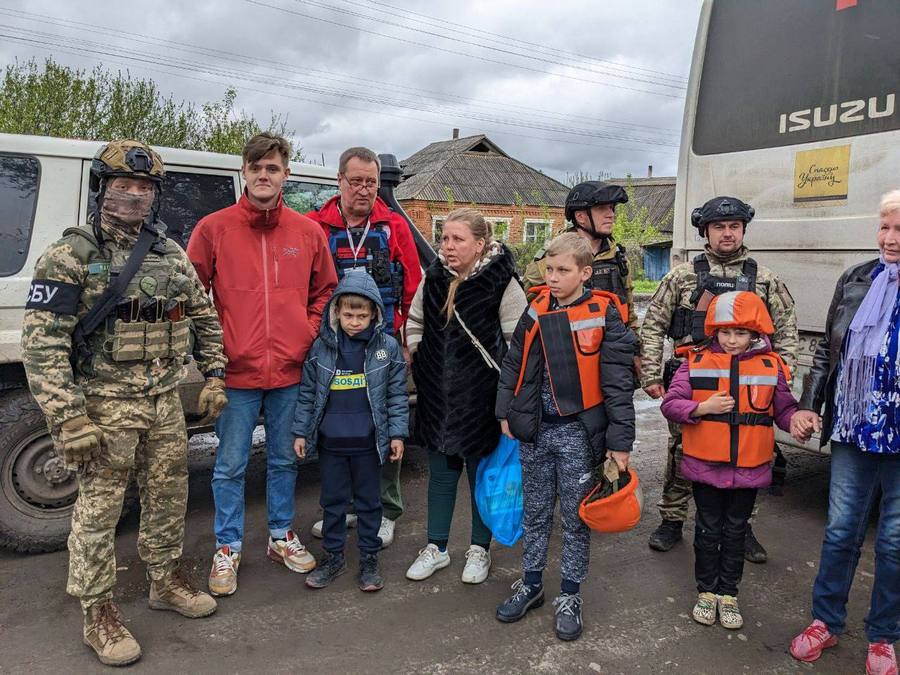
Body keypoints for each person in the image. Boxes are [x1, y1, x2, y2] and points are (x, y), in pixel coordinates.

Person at [21, 140, 227, 666]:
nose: (134, 197)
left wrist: (214, 375)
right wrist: (67, 418)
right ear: (102, 190)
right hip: (103, 410)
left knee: (168, 497)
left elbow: (202, 315)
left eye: (144, 189)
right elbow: (43, 346)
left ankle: (165, 581)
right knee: (100, 511)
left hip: (162, 404)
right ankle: (98, 612)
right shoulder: (70, 255)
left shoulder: (168, 252)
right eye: (123, 187)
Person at [187, 132, 338, 597]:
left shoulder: (307, 233)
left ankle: (280, 535)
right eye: (256, 167)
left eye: (273, 168)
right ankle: (228, 546)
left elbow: (326, 291)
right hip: (235, 372)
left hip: (290, 371)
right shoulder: (214, 228)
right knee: (229, 464)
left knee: (283, 459)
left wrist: (307, 331)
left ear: (285, 174)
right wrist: (214, 348)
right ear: (244, 173)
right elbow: (193, 296)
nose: (264, 175)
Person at [495, 232, 637, 641]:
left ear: (585, 272)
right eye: (549, 269)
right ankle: (532, 583)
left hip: (578, 436)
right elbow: (513, 363)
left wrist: (620, 443)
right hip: (536, 433)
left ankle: (571, 595)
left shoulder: (603, 313)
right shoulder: (535, 307)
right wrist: (505, 411)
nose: (553, 278)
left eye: (563, 271)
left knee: (576, 520)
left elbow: (617, 383)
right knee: (535, 514)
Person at [640, 196, 799, 560]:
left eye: (734, 227)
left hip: (750, 386)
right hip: (694, 381)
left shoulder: (765, 279)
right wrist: (650, 373)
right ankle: (672, 520)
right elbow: (654, 325)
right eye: (718, 228)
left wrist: (781, 375)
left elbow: (786, 328)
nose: (727, 234)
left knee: (748, 454)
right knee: (681, 450)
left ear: (743, 230)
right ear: (705, 232)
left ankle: (741, 528)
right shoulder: (681, 276)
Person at [789, 189, 900, 675]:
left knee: (895, 543)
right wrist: (810, 406)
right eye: (885, 227)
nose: (890, 238)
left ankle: (884, 636)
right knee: (840, 533)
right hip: (854, 430)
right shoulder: (856, 278)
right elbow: (825, 353)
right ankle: (826, 621)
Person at [660, 291, 802, 630]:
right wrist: (701, 408)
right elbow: (670, 404)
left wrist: (798, 419)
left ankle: (729, 594)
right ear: (714, 331)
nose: (732, 339)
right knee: (708, 530)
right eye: (725, 332)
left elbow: (783, 409)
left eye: (740, 333)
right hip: (706, 466)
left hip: (749, 468)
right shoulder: (694, 362)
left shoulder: (771, 367)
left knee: (736, 530)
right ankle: (706, 592)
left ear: (755, 333)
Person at [305, 146, 422, 548]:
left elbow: (412, 289)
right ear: (339, 181)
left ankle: (386, 509)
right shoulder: (315, 226)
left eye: (371, 182)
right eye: (356, 181)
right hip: (333, 347)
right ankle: (349, 507)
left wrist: (406, 341)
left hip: (381, 345)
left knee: (385, 422)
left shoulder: (394, 227)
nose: (364, 189)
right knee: (340, 426)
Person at [405, 207, 527, 585]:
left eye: (457, 239)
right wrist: (421, 358)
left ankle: (479, 549)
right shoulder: (434, 277)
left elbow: (519, 343)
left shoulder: (500, 281)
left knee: (480, 476)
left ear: (480, 243)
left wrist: (507, 395)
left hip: (482, 401)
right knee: (441, 475)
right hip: (438, 398)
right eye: (444, 238)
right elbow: (414, 321)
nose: (448, 246)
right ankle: (437, 548)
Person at [291, 270, 408, 592]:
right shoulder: (321, 349)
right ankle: (333, 557)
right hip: (332, 444)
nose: (354, 322)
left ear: (374, 315)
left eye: (362, 315)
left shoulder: (387, 349)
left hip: (369, 444)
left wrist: (397, 435)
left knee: (370, 502)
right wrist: (301, 433)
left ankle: (369, 558)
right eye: (348, 315)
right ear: (336, 313)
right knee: (333, 502)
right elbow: (307, 395)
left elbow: (397, 396)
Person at [523, 181, 638, 332]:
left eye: (611, 208)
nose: (610, 214)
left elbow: (629, 309)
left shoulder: (618, 258)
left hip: (614, 345)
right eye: (601, 208)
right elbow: (524, 305)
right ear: (580, 217)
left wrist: (635, 347)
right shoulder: (552, 258)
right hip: (568, 347)